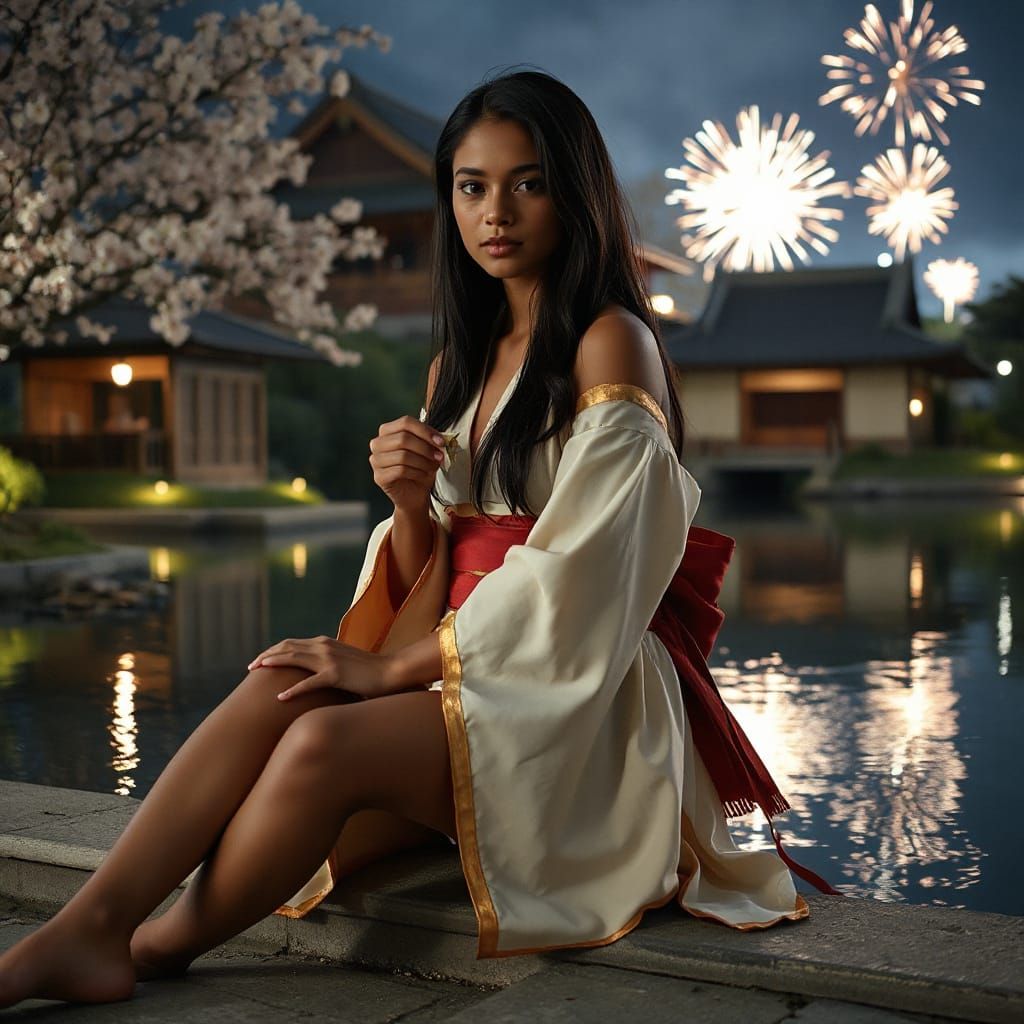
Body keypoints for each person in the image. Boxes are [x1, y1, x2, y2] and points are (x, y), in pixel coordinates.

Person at [0, 69, 836, 1009]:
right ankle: (89, 928)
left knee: (324, 746)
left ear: (576, 191)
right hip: (472, 667)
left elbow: (585, 578)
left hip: (578, 693)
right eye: (472, 186)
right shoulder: (459, 364)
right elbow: (432, 566)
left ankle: (151, 947)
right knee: (286, 679)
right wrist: (405, 506)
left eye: (527, 182)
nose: (497, 212)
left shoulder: (612, 345)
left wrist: (391, 673)